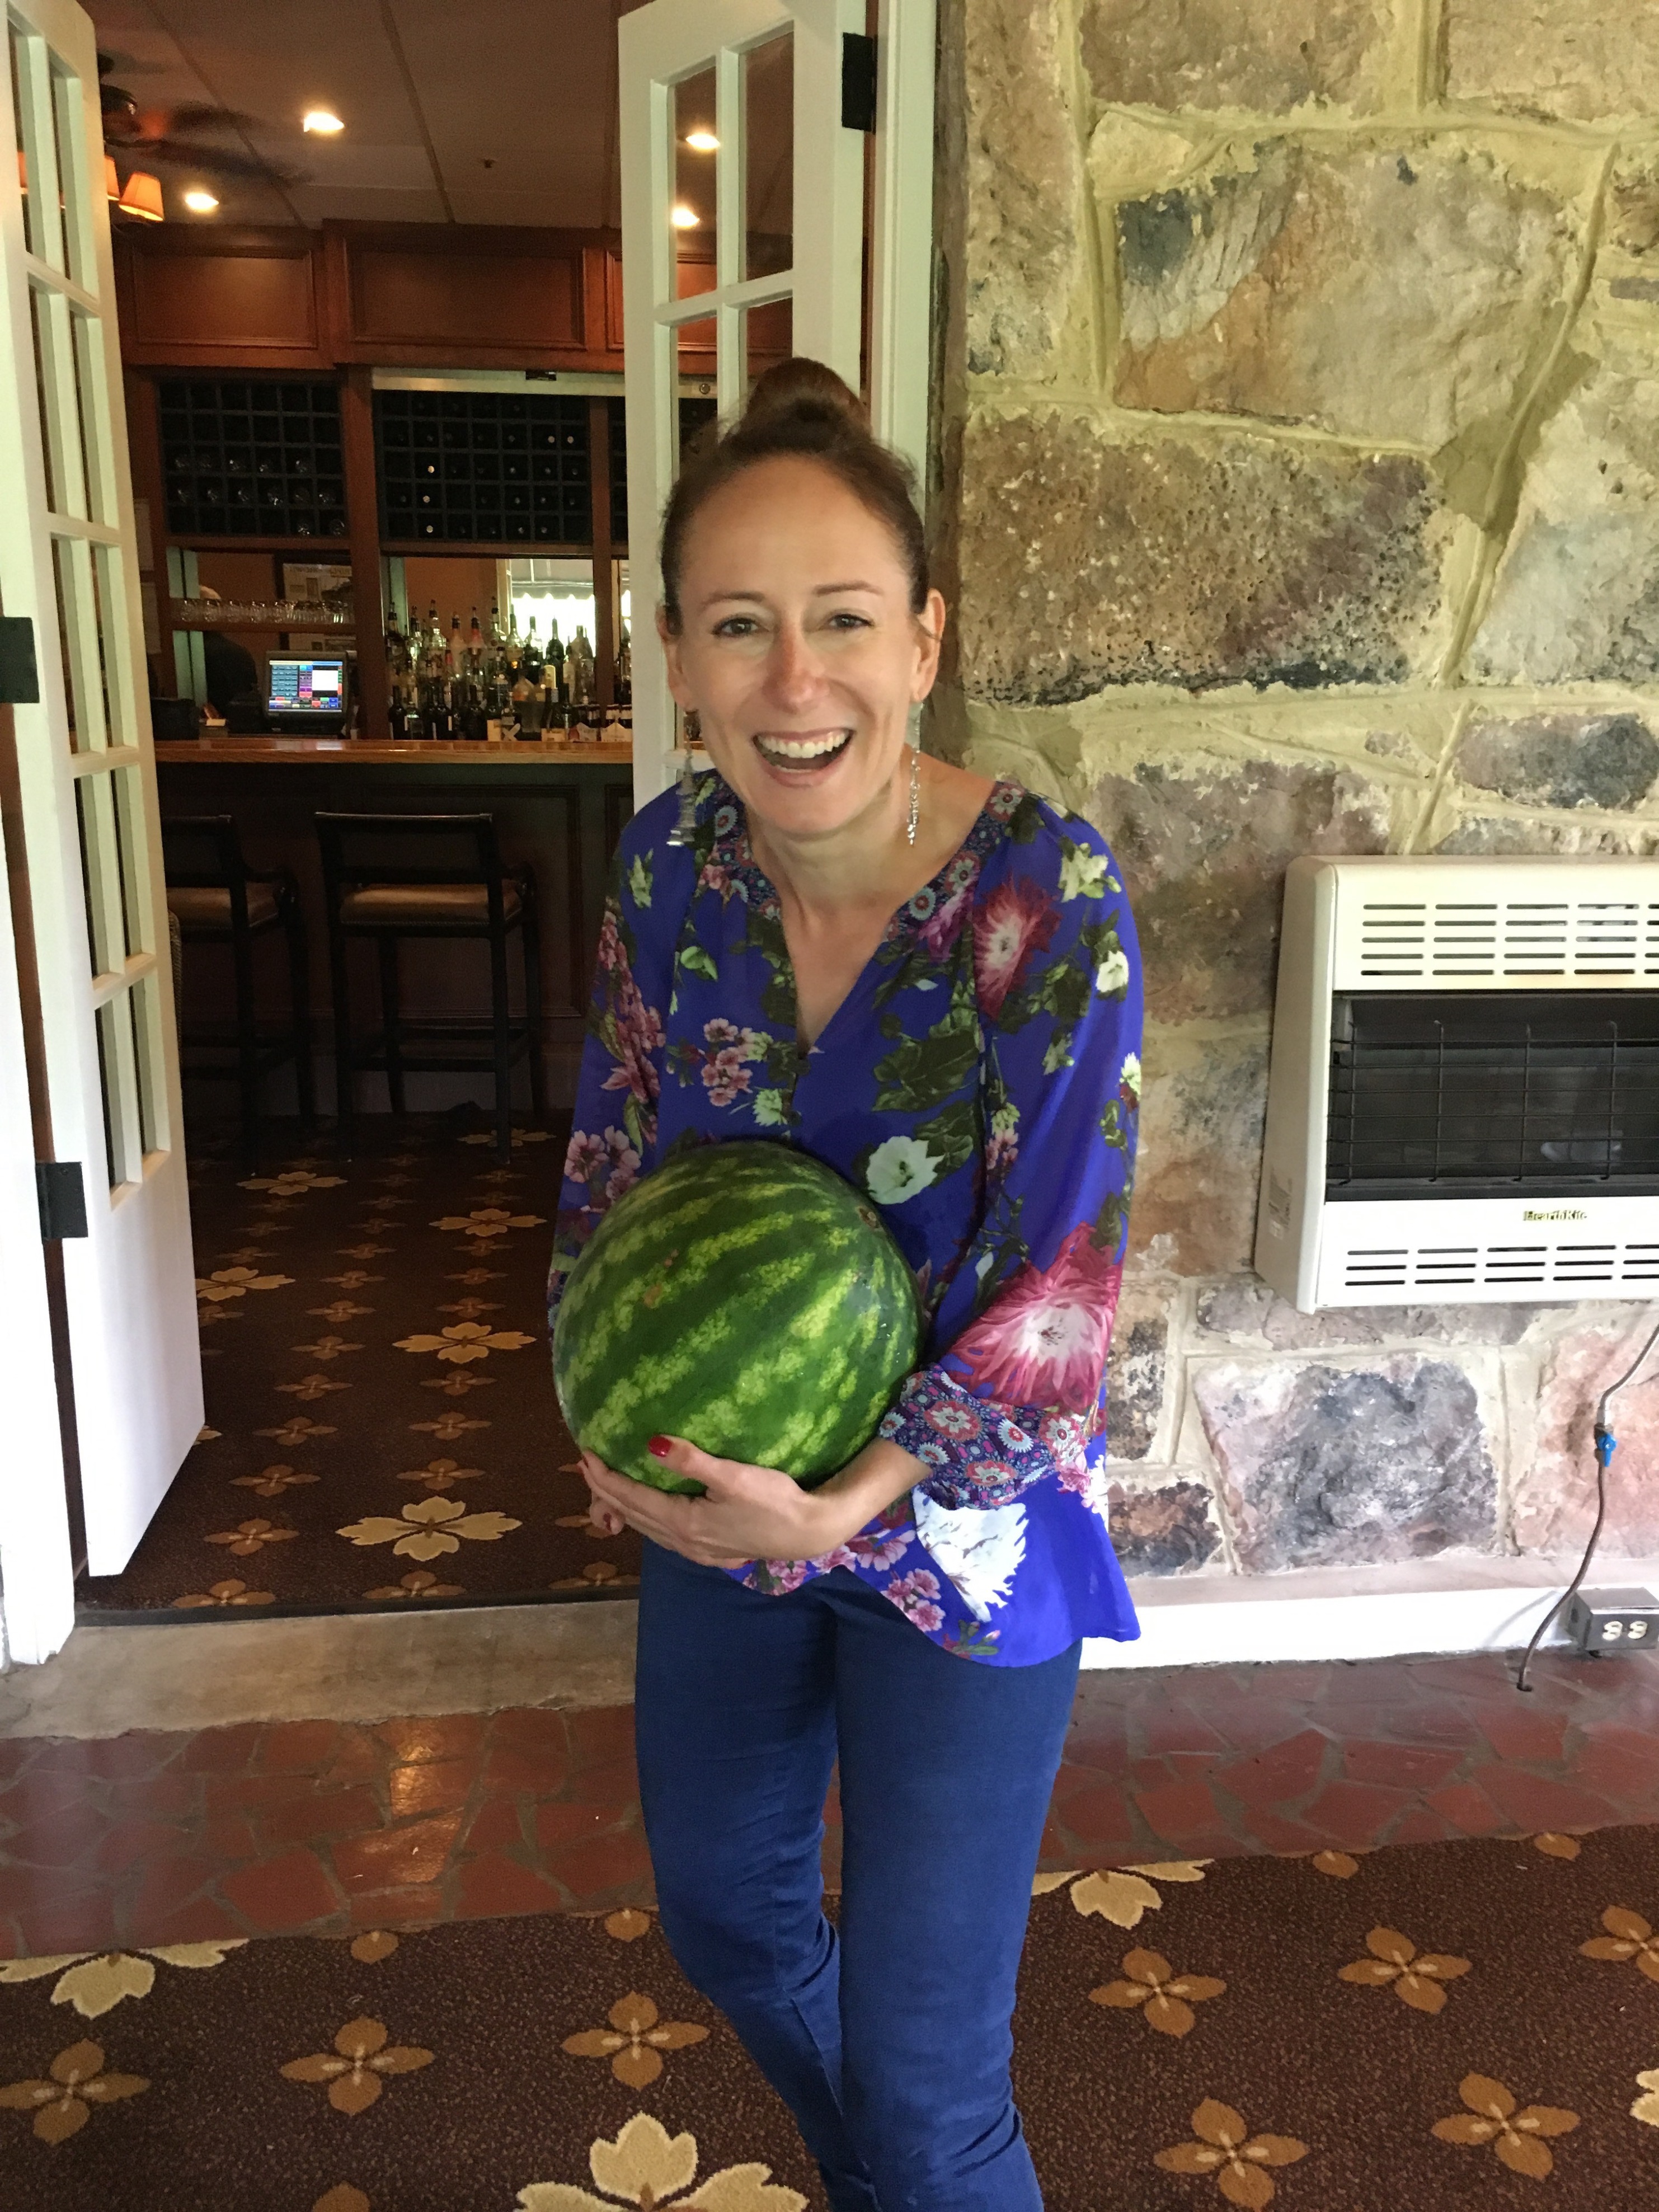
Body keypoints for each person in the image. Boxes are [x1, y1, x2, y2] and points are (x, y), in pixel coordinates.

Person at [548, 358, 1143, 2212]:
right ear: (675, 651)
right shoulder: (672, 864)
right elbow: (614, 1158)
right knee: (727, 1916)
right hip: (726, 1489)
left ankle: (913, 2161)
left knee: (935, 2075)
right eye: (741, 626)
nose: (794, 681)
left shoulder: (1049, 899)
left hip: (952, 1526)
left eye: (843, 621)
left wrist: (847, 1498)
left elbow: (1062, 1290)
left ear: (923, 637)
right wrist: (605, 1417)